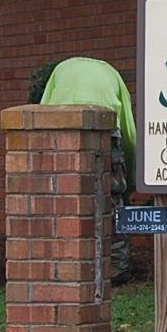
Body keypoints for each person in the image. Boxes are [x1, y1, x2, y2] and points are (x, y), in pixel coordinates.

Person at [37, 57, 138, 281]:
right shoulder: (112, 73)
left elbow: (42, 113)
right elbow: (129, 131)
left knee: (62, 198)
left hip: (61, 128)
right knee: (111, 200)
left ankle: (62, 262)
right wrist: (128, 181)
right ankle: (117, 268)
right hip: (108, 129)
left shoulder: (60, 69)